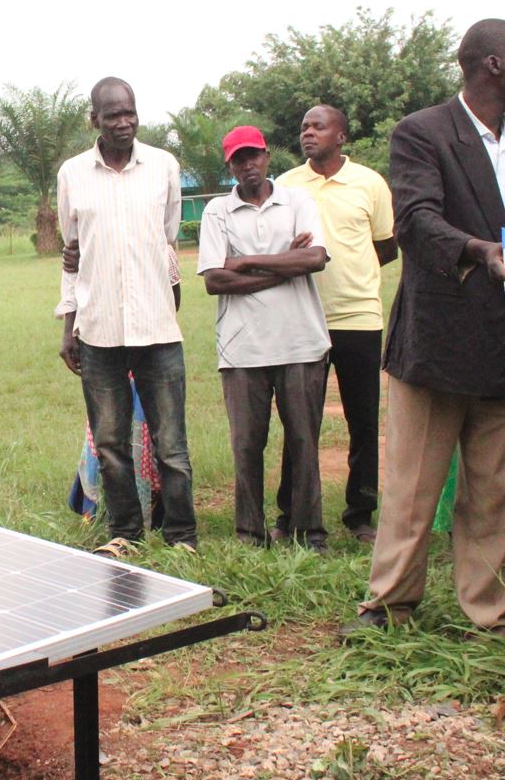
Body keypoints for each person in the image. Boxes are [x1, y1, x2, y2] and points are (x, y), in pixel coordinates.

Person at [343, 19, 505, 639]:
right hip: (439, 340)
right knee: (411, 488)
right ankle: (388, 605)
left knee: (495, 491)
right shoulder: (423, 133)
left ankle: (490, 613)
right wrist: (479, 251)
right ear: (491, 64)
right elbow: (416, 220)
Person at [55, 77, 197, 558]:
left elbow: (167, 239)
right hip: (99, 333)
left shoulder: (163, 167)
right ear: (94, 119)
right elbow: (73, 256)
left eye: (130, 112)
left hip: (157, 328)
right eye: (113, 114)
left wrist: (166, 298)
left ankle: (182, 537)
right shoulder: (73, 174)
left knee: (171, 444)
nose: (124, 121)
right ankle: (126, 534)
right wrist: (68, 326)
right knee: (112, 444)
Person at [197, 125, 331, 548]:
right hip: (241, 348)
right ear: (230, 166)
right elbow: (215, 280)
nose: (248, 165)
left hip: (301, 341)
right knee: (247, 447)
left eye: (253, 155)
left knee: (304, 444)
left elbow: (314, 258)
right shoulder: (217, 211)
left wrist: (247, 261)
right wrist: (283, 264)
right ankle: (250, 533)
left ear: (267, 156)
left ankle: (310, 532)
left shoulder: (296, 199)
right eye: (239, 159)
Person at [277, 106, 396, 544]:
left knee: (363, 420)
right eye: (304, 126)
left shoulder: (370, 183)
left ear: (341, 135)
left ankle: (360, 514)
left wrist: (352, 274)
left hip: (359, 316)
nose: (308, 132)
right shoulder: (287, 185)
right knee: (298, 420)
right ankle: (291, 511)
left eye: (318, 126)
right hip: (303, 317)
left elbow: (385, 246)